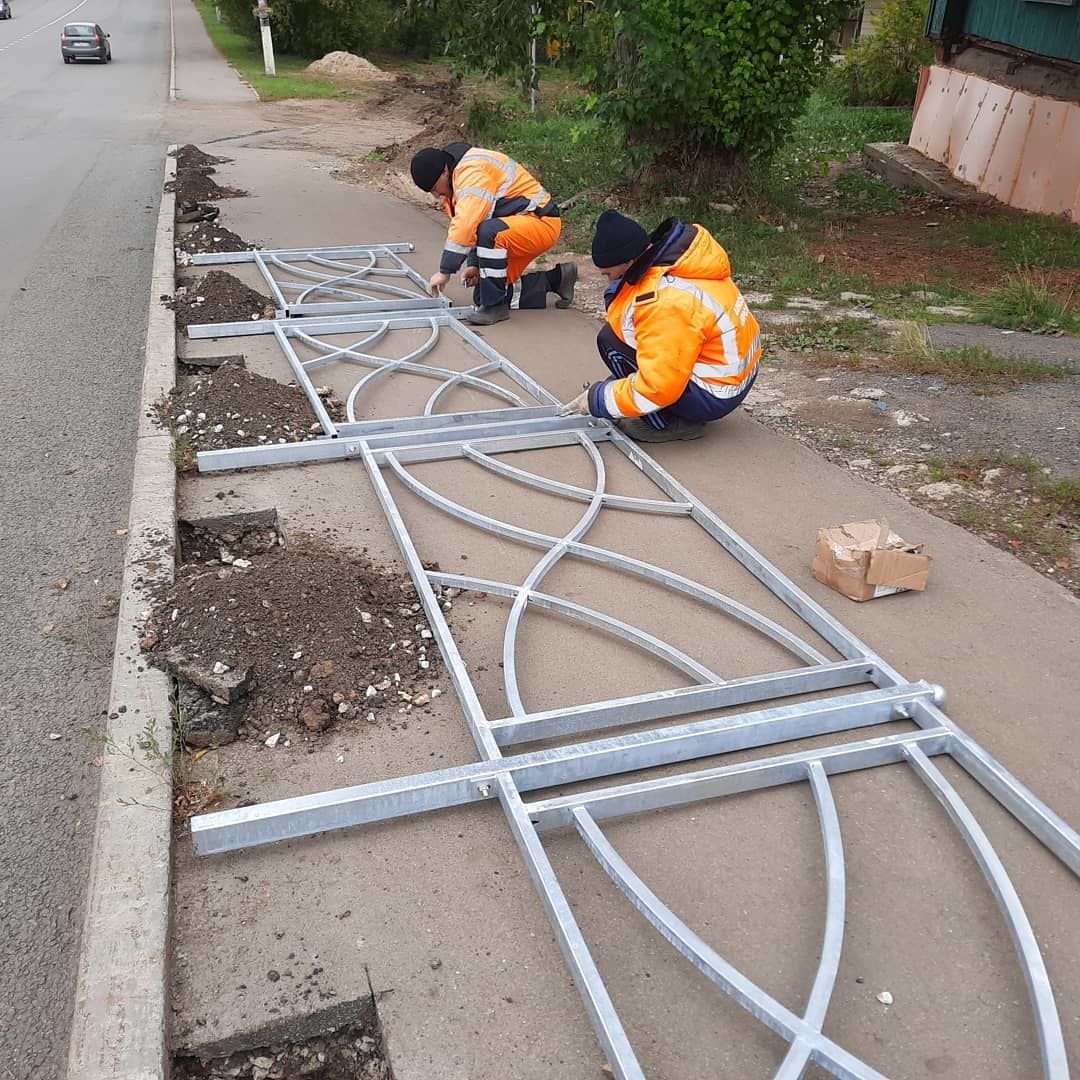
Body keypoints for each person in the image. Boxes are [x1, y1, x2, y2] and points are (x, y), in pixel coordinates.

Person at [560, 210, 762, 443]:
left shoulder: (664, 300)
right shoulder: (681, 262)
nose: (609, 281)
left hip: (716, 393)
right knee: (617, 340)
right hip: (736, 375)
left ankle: (670, 423)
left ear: (627, 262)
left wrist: (598, 400)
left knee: (609, 342)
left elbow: (658, 388)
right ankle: (653, 399)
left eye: (609, 274)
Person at [409, 143, 577, 325]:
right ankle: (557, 279)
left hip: (540, 222)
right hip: (515, 225)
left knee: (490, 240)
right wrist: (475, 265)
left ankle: (496, 308)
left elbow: (467, 224)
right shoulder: (457, 174)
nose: (436, 195)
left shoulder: (471, 172)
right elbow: (477, 221)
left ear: (444, 172)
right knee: (483, 296)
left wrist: (445, 272)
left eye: (434, 188)